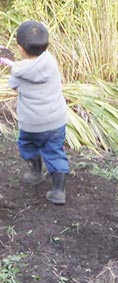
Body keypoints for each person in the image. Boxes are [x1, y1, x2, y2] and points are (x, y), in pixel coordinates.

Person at [0, 20, 69, 204]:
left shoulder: (18, 74)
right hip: (56, 121)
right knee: (55, 152)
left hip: (32, 125)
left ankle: (36, 172)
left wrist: (12, 66)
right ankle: (58, 191)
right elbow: (35, 65)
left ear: (20, 48)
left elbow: (14, 85)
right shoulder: (51, 61)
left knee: (28, 146)